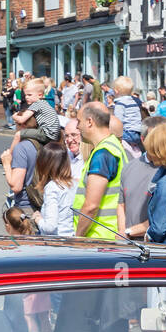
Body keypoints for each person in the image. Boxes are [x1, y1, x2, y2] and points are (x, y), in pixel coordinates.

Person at [72, 102, 127, 238]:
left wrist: (78, 237)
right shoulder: (114, 146)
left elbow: (91, 206)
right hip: (109, 235)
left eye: (79, 121)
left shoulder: (103, 153)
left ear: (89, 122)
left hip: (100, 237)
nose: (77, 126)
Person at [117, 115, 166, 239]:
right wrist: (122, 232)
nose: (157, 143)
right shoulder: (129, 168)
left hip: (159, 247)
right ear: (142, 139)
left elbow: (162, 217)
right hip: (130, 245)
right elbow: (121, 204)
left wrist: (129, 232)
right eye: (153, 138)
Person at [31, 140, 78, 237]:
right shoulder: (75, 184)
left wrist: (38, 219)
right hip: (71, 237)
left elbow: (50, 227)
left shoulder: (52, 187)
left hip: (55, 242)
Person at [111, 77, 143, 155]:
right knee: (133, 147)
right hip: (137, 133)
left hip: (127, 132)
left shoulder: (120, 104)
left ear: (116, 91)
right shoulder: (133, 102)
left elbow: (118, 121)